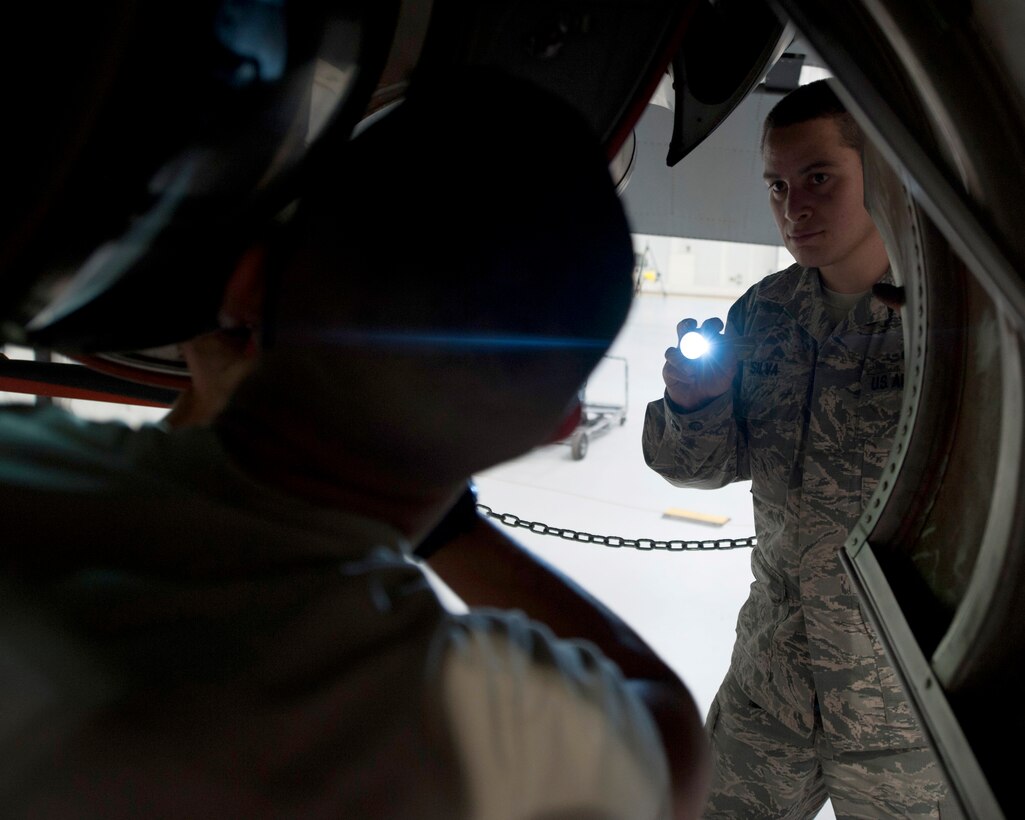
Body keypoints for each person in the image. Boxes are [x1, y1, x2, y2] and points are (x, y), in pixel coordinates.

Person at [0, 68, 709, 818]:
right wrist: (445, 523)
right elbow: (669, 739)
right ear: (551, 429)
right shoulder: (477, 736)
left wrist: (208, 407)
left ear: (248, 284)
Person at [641, 79, 955, 817]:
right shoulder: (765, 312)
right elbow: (701, 468)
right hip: (770, 692)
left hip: (901, 713)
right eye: (777, 185)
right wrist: (694, 404)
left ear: (879, 172)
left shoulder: (952, 323)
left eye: (819, 178)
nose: (793, 206)